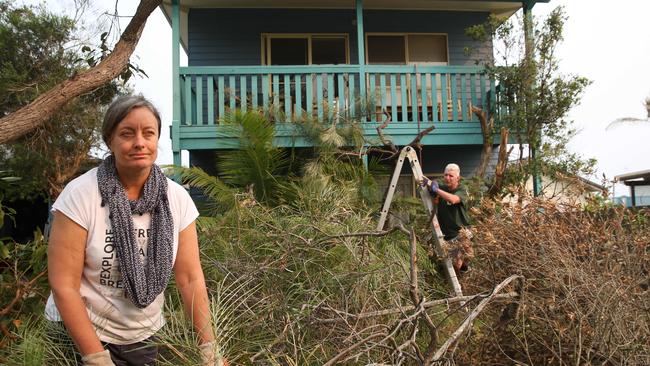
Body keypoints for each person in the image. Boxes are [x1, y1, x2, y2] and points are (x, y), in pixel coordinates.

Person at [46, 95, 225, 365]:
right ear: (110, 140)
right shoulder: (81, 195)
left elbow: (190, 279)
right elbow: (64, 285)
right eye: (127, 134)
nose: (139, 142)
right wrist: (95, 357)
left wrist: (209, 349)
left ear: (156, 140)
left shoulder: (176, 199)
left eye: (148, 133)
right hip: (76, 334)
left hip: (144, 336)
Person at [420, 163, 473, 274]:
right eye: (446, 175)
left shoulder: (462, 189)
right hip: (446, 233)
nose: (447, 178)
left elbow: (453, 199)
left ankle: (464, 274)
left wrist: (437, 190)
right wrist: (430, 184)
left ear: (458, 178)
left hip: (462, 231)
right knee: (454, 263)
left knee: (465, 257)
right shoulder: (443, 185)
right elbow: (432, 183)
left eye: (451, 176)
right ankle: (462, 274)